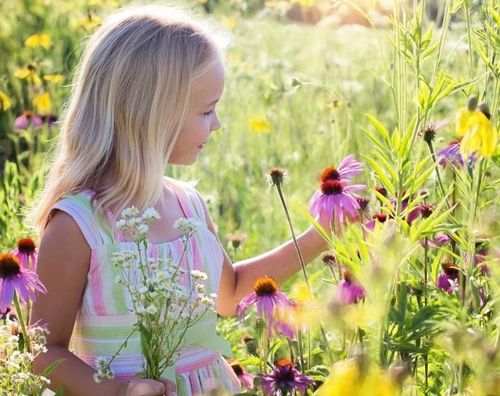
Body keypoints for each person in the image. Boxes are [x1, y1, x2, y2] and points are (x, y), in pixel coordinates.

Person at [30, 5, 329, 396]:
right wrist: (121, 392)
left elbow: (231, 293)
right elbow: (43, 352)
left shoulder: (189, 205)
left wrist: (321, 235)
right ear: (151, 114)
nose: (218, 124)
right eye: (207, 110)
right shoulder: (78, 225)